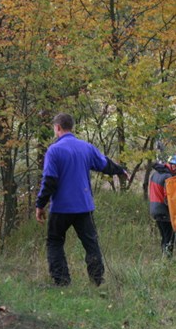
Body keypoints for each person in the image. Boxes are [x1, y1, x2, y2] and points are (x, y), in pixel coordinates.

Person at [36, 113, 129, 286]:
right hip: (83, 206)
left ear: (57, 128)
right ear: (71, 127)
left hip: (61, 208)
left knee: (55, 242)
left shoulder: (54, 150)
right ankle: (97, 281)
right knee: (90, 243)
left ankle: (62, 281)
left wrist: (40, 205)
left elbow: (49, 180)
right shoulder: (86, 147)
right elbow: (104, 164)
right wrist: (120, 170)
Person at [149, 155, 176, 257]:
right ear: (174, 166)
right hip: (164, 211)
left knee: (164, 236)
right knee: (169, 238)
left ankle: (164, 258)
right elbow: (168, 198)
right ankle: (167, 261)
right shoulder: (168, 177)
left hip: (154, 209)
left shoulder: (155, 174)